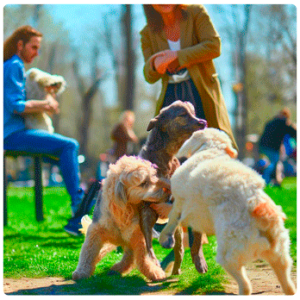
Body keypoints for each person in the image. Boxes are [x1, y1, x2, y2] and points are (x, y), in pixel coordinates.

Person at [3, 25, 85, 236]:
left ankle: (81, 207)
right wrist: (45, 105)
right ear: (20, 45)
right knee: (69, 145)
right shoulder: (13, 65)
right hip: (11, 135)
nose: (36, 53)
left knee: (66, 154)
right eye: (33, 47)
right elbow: (16, 105)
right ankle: (79, 205)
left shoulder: (13, 65)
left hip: (17, 133)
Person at [140, 4, 237, 149]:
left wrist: (177, 56)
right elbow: (149, 75)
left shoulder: (196, 12)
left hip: (201, 91)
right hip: (171, 97)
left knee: (211, 144)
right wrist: (155, 64)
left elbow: (214, 46)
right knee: (171, 150)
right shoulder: (147, 32)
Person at [259, 107, 297, 186]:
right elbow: (293, 132)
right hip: (270, 147)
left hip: (263, 145)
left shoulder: (272, 121)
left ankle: (274, 181)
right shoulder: (283, 122)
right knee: (273, 163)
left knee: (273, 162)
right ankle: (266, 181)